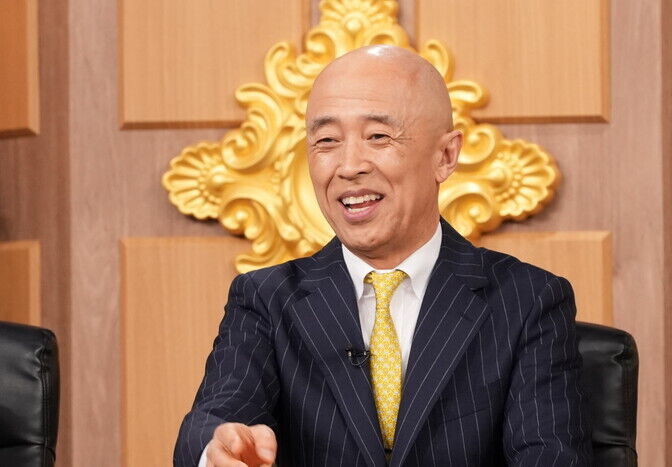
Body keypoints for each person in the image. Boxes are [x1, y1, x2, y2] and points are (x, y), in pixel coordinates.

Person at [174, 45, 592, 466]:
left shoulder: (528, 300)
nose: (349, 166)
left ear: (445, 156)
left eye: (378, 137)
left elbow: (550, 456)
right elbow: (215, 417)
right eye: (327, 141)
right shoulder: (265, 299)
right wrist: (218, 450)